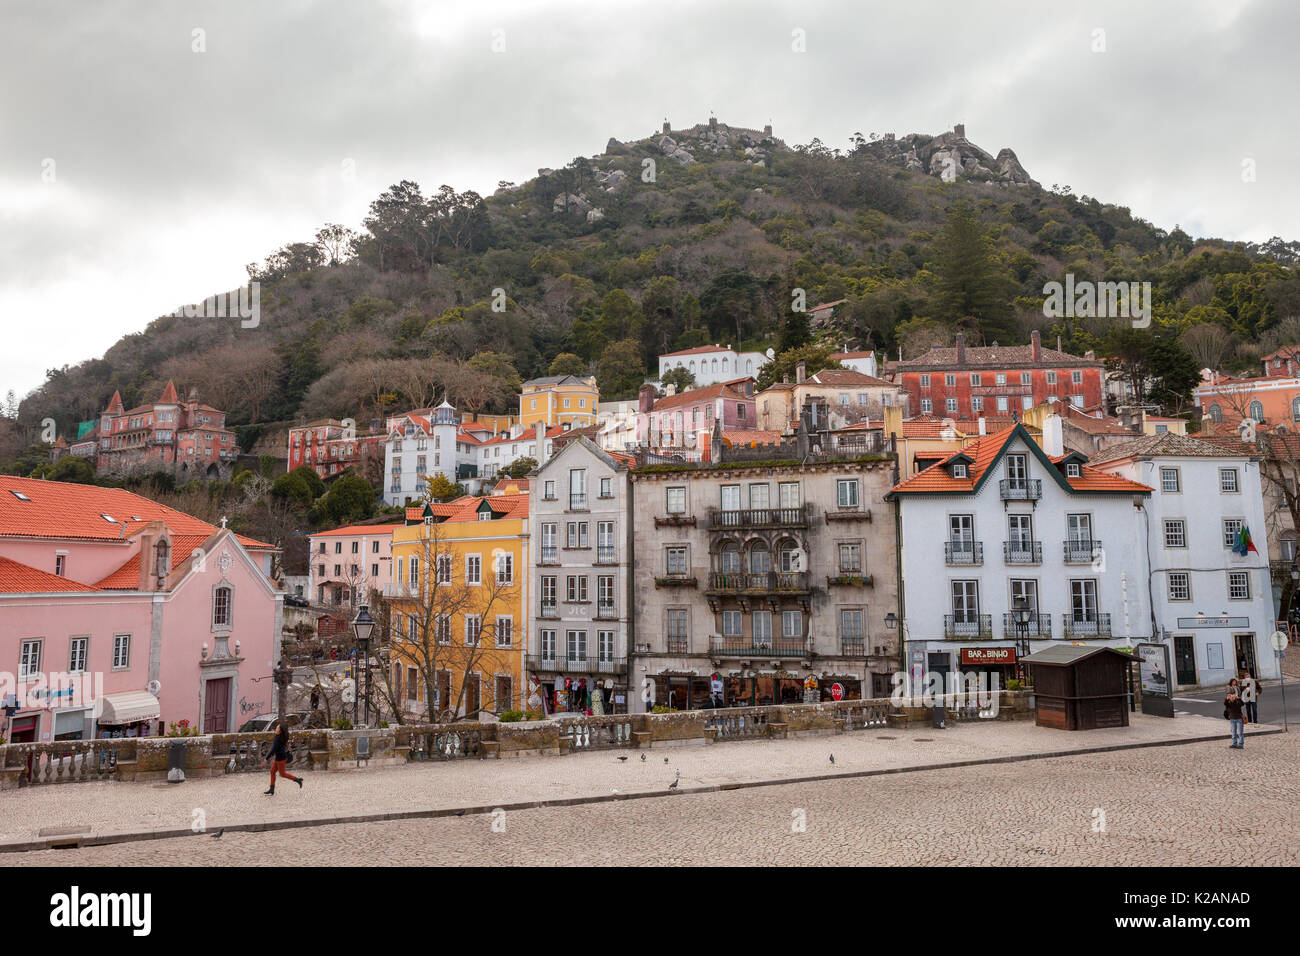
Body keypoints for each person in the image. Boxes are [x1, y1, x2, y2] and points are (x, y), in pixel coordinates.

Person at [264, 721, 303, 794]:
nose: (276, 728)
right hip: (279, 757)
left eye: (277, 728)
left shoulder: (278, 739)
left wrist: (267, 758)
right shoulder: (281, 737)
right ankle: (272, 789)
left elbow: (273, 750)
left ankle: (297, 780)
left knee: (282, 774)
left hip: (281, 759)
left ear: (280, 730)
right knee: (272, 772)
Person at [1224, 679, 1245, 750]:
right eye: (1231, 697)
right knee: (1233, 732)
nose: (1232, 698)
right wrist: (1227, 698)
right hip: (1232, 718)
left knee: (1240, 733)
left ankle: (1241, 744)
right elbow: (1225, 703)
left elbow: (1242, 703)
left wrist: (1238, 698)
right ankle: (1234, 743)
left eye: (1233, 697)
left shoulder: (1238, 702)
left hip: (1239, 718)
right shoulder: (1229, 704)